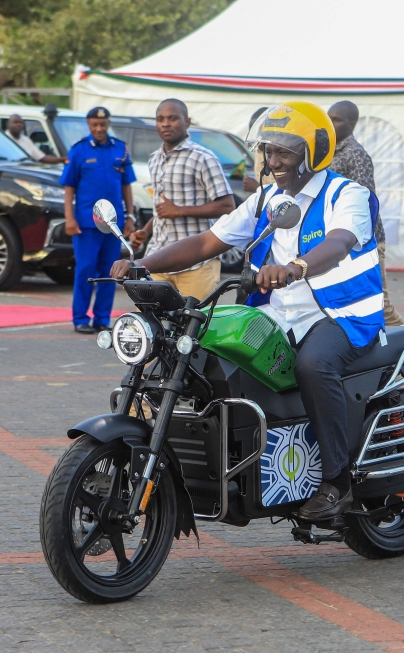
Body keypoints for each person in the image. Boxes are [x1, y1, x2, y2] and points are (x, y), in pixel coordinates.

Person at [111, 101, 383, 520]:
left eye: (285, 153)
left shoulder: (347, 194)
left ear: (316, 152)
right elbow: (205, 243)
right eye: (268, 152)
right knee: (201, 351)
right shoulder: (265, 200)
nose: (273, 162)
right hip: (279, 313)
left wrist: (296, 268)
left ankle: (337, 481)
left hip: (340, 314)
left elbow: (341, 242)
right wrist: (143, 263)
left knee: (313, 366)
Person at [130, 99, 235, 300]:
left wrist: (180, 210)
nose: (166, 124)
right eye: (160, 119)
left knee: (196, 324)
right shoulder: (155, 159)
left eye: (173, 118)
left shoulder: (203, 157)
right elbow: (162, 209)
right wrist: (145, 231)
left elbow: (227, 205)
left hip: (197, 261)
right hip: (158, 257)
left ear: (187, 122)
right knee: (148, 323)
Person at [60, 107, 136, 334]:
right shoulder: (79, 150)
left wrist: (130, 216)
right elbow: (69, 187)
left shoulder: (121, 150)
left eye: (102, 124)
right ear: (88, 125)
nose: (99, 129)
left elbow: (126, 186)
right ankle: (80, 318)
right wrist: (69, 218)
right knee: (85, 270)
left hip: (113, 223)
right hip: (86, 223)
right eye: (94, 125)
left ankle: (102, 318)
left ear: (108, 123)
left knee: (109, 271)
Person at [327, 100, 404, 326]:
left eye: (337, 120)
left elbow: (366, 200)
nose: (331, 123)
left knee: (383, 306)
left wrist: (359, 240)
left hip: (364, 241)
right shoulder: (329, 152)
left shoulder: (355, 154)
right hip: (341, 239)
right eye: (328, 118)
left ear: (352, 124)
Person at [243, 107, 275, 193]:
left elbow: (283, 195)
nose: (258, 137)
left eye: (262, 133)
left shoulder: (279, 156)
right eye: (255, 132)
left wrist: (257, 188)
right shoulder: (259, 151)